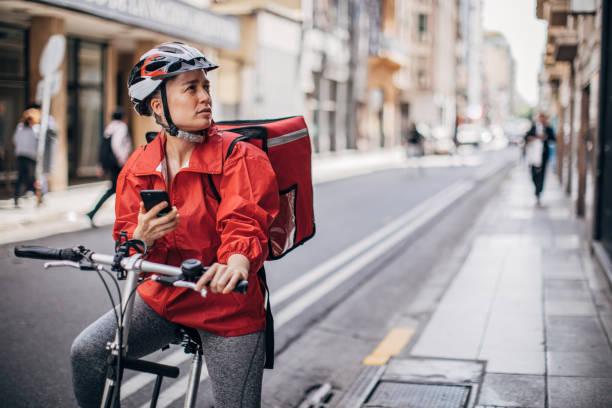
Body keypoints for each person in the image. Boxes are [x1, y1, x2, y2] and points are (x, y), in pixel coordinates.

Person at [70, 42, 280, 408]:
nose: (205, 98)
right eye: (191, 87)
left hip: (227, 304)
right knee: (86, 352)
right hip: (164, 298)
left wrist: (236, 262)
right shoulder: (137, 167)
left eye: (206, 86)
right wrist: (140, 239)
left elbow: (244, 221)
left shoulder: (240, 155)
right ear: (157, 105)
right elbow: (127, 242)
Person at [85, 107, 132, 226]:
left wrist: (101, 165)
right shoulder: (121, 127)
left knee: (116, 189)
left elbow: (103, 147)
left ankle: (93, 212)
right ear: (123, 117)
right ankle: (126, 217)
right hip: (117, 163)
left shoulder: (110, 127)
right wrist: (122, 160)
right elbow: (116, 144)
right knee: (123, 188)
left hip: (110, 163)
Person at [12, 107, 41, 208]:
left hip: (25, 155)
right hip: (27, 155)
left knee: (26, 177)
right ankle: (26, 195)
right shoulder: (32, 129)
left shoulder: (25, 128)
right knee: (28, 177)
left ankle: (28, 196)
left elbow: (15, 139)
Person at [525, 113, 555, 204]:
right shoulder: (533, 127)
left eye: (543, 118)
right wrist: (532, 138)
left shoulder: (548, 128)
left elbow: (553, 139)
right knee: (533, 173)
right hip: (533, 155)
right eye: (540, 118)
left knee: (542, 173)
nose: (541, 120)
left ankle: (539, 191)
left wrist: (545, 137)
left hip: (543, 155)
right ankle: (536, 187)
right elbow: (526, 137)